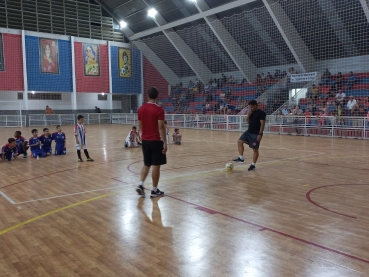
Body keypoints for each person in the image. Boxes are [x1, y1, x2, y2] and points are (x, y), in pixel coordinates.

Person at [136, 87, 167, 198]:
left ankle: (140, 184)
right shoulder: (159, 110)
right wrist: (164, 142)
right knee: (156, 165)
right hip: (155, 140)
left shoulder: (141, 109)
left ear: (147, 96)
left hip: (145, 140)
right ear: (157, 96)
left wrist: (141, 135)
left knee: (146, 163)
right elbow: (161, 127)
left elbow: (140, 125)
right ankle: (154, 190)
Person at [233, 100, 266, 171]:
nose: (250, 108)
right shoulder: (251, 112)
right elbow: (248, 121)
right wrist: (248, 115)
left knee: (255, 150)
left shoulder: (261, 113)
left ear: (255, 105)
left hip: (256, 134)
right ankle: (241, 158)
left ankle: (253, 165)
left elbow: (262, 124)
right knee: (239, 142)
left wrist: (260, 134)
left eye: (251, 107)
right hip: (248, 132)